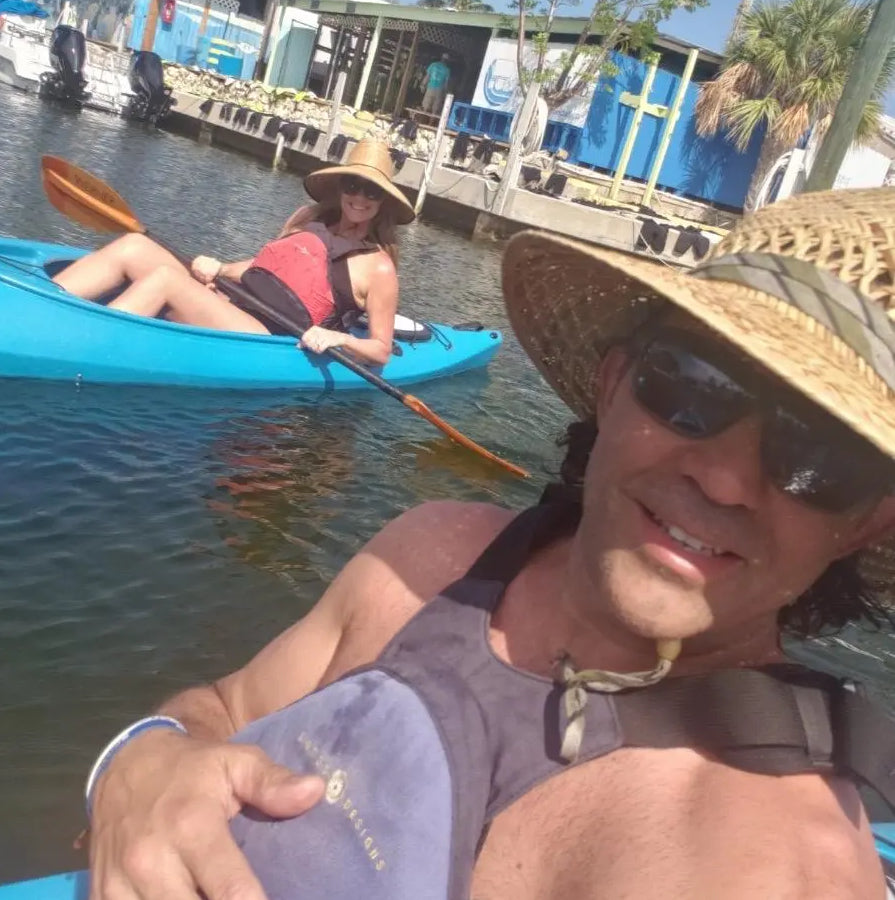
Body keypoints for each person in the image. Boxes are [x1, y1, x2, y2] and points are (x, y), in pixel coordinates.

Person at [82, 187, 895, 900]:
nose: (723, 480)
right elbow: (224, 710)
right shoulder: (435, 553)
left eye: (818, 459)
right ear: (614, 386)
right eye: (693, 389)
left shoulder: (770, 866)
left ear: (869, 521)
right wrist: (145, 758)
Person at [53, 139, 416, 367]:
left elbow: (381, 350)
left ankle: (76, 348)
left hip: (267, 335)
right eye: (353, 185)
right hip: (234, 302)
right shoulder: (309, 219)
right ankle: (46, 307)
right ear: (340, 186)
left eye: (372, 192)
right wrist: (221, 269)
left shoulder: (379, 268)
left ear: (384, 201)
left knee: (165, 279)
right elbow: (268, 269)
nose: (361, 198)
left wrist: (339, 338)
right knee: (136, 245)